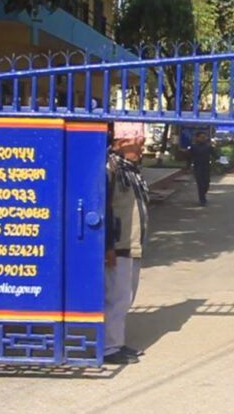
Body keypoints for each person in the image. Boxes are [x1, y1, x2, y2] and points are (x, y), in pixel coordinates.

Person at [104, 125, 150, 365]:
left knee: (125, 298)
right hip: (119, 246)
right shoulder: (110, 169)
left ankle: (117, 342)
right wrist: (108, 246)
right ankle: (109, 348)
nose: (142, 149)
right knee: (117, 298)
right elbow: (104, 208)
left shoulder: (130, 170)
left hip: (132, 244)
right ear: (121, 143)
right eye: (138, 144)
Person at [188, 131, 217, 206]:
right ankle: (202, 199)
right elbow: (189, 157)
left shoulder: (208, 146)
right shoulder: (193, 147)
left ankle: (203, 194)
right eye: (201, 137)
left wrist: (221, 159)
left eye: (204, 137)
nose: (203, 139)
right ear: (197, 138)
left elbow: (215, 155)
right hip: (197, 167)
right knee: (200, 183)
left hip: (206, 167)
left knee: (206, 183)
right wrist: (188, 167)